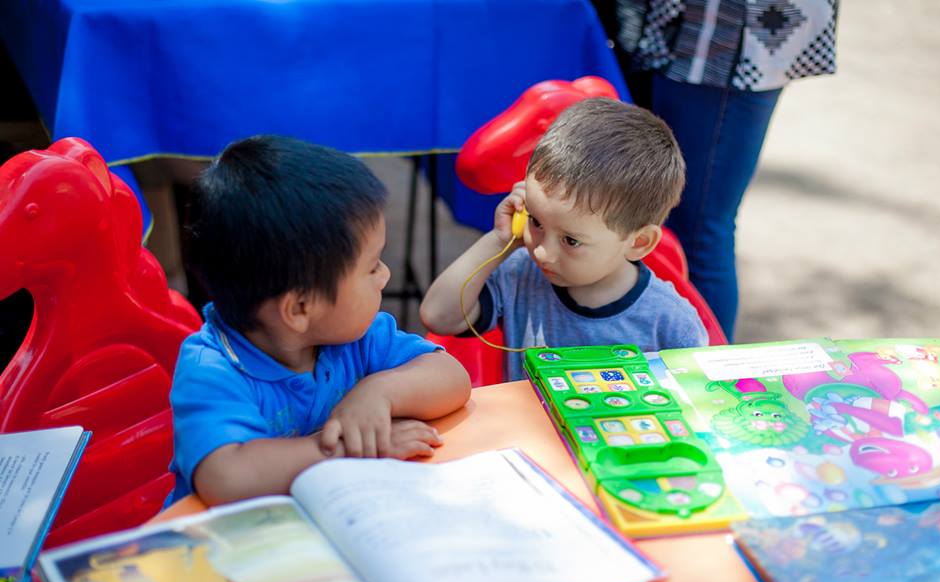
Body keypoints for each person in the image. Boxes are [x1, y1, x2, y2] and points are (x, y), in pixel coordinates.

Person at [168, 135, 471, 506]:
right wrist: (345, 447)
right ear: (299, 309)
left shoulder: (356, 336)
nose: (386, 275)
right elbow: (227, 476)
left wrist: (378, 394)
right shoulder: (212, 369)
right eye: (371, 266)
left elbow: (453, 377)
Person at [593, 0, 839, 339]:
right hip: (685, 31)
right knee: (670, 220)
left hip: (724, 37)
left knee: (697, 231)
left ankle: (711, 378)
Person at [420, 98, 707, 382]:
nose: (543, 253)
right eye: (535, 221)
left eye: (571, 240)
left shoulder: (670, 322)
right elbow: (438, 316)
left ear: (639, 242)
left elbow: (695, 405)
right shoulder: (520, 274)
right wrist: (498, 239)